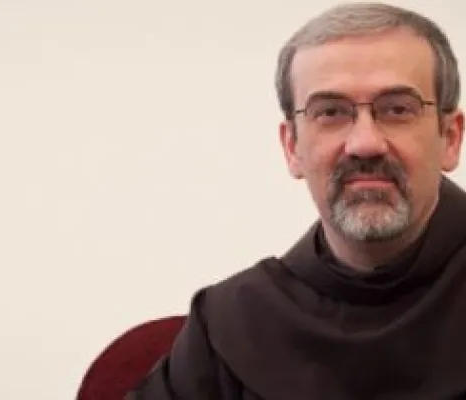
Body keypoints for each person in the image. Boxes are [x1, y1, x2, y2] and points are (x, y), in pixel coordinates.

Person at [126, 2, 466, 399]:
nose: (364, 143)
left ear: (450, 137)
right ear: (292, 148)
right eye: (331, 112)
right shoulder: (232, 322)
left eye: (397, 109)